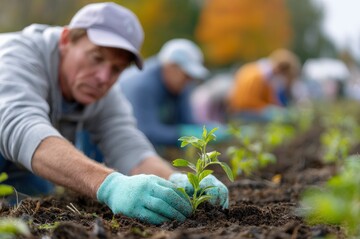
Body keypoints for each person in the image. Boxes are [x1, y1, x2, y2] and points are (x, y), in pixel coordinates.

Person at [0, 3, 228, 225]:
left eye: (117, 69)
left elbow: (129, 147)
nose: (103, 77)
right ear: (66, 40)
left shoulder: (104, 90)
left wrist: (176, 181)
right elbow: (22, 128)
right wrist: (109, 184)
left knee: (35, 197)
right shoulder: (17, 55)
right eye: (96, 58)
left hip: (17, 163)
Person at [118, 38, 227, 148]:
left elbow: (187, 122)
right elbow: (146, 131)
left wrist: (210, 131)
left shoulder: (179, 86)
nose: (189, 82)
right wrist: (181, 134)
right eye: (187, 76)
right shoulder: (142, 85)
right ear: (171, 67)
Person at [226, 49, 301, 122]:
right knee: (284, 118)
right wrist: (268, 108)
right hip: (242, 112)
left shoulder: (256, 70)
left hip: (242, 110)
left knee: (281, 114)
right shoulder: (257, 76)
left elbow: (271, 99)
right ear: (280, 69)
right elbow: (246, 101)